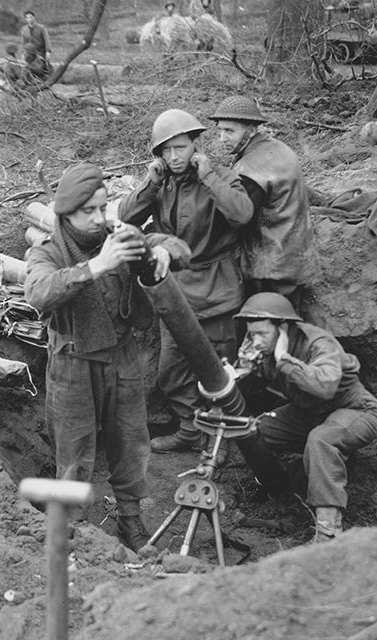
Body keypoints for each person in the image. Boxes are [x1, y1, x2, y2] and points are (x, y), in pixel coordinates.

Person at [24, 163, 191, 552]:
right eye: (90, 211)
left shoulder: (117, 235)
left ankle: (130, 518)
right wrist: (95, 267)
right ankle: (75, 529)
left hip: (123, 356)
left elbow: (179, 246)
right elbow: (38, 292)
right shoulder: (47, 251)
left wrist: (163, 251)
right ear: (66, 214)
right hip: (73, 361)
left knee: (131, 441)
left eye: (103, 208)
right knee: (75, 450)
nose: (100, 218)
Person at [118, 109, 254, 455]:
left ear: (196, 145)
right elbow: (125, 217)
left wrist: (208, 175)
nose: (174, 157)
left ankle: (220, 441)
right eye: (165, 151)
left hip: (217, 292)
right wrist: (149, 183)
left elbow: (242, 214)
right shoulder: (161, 183)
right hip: (175, 293)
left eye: (180, 148)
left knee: (221, 375)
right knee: (171, 374)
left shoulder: (219, 176)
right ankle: (191, 431)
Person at [234, 293, 377, 541]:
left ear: (282, 328)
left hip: (356, 410)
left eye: (262, 333)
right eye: (252, 334)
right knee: (257, 431)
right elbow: (256, 387)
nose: (256, 340)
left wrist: (284, 360)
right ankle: (283, 490)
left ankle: (328, 530)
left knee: (320, 440)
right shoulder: (263, 348)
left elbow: (325, 387)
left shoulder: (318, 342)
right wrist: (247, 369)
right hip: (309, 413)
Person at [208, 95, 318, 308]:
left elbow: (236, 219)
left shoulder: (252, 168)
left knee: (271, 328)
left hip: (272, 268)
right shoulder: (275, 148)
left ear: (250, 130)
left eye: (229, 131)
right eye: (220, 130)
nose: (222, 138)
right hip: (295, 256)